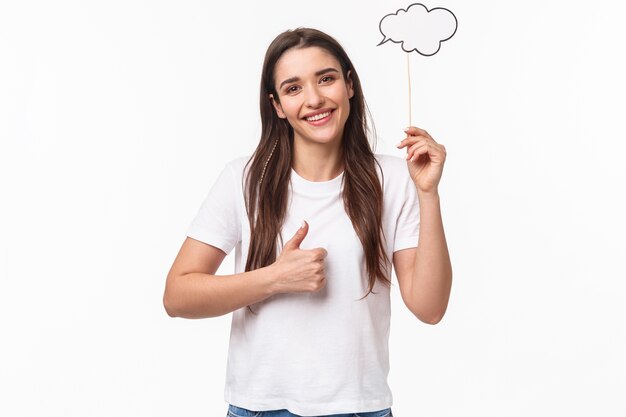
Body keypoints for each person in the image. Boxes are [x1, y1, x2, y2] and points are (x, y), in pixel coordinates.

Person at [163, 27, 452, 417]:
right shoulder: (244, 180)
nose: (314, 99)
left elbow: (429, 307)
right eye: (293, 88)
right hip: (260, 408)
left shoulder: (395, 178)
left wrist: (429, 194)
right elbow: (177, 296)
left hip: (360, 408)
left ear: (349, 85)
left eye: (326, 79)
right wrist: (274, 278)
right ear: (277, 105)